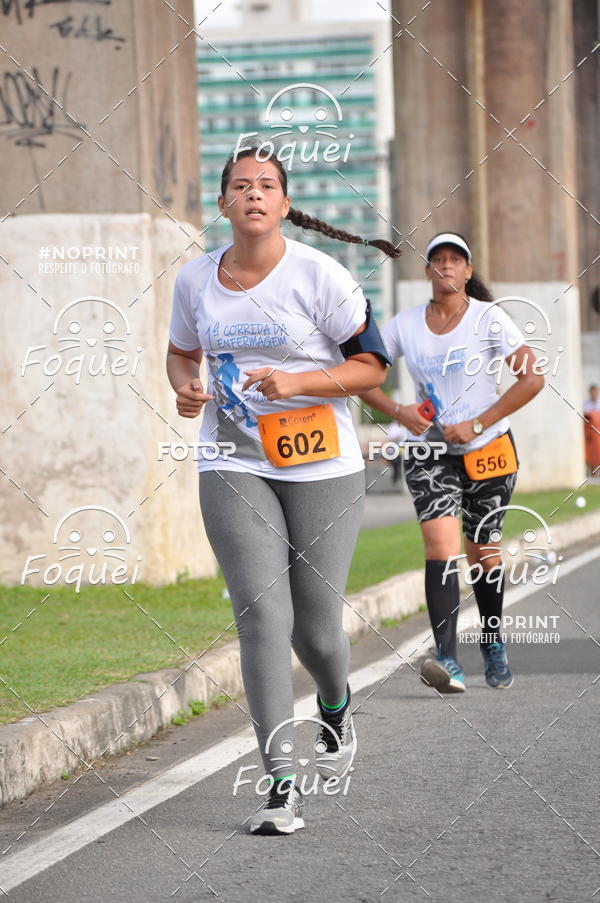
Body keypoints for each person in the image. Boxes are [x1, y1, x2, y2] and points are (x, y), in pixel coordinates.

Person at [166, 147, 398, 835]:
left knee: (318, 626)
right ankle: (279, 785)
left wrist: (298, 382)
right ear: (223, 204)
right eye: (241, 186)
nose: (254, 195)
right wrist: (184, 385)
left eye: (267, 185)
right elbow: (183, 350)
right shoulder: (194, 281)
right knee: (262, 615)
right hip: (232, 459)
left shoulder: (319, 275)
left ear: (285, 202)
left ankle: (334, 700)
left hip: (322, 461)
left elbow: (371, 364)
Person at [359, 232, 544, 693]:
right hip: (431, 451)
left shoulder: (488, 319)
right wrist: (400, 412)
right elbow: (364, 374)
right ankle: (446, 658)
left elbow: (532, 377)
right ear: (427, 271)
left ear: (467, 270)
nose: (445, 266)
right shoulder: (404, 324)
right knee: (440, 547)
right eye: (436, 260)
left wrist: (479, 424)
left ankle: (492, 640)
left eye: (454, 260)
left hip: (490, 450)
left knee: (482, 552)